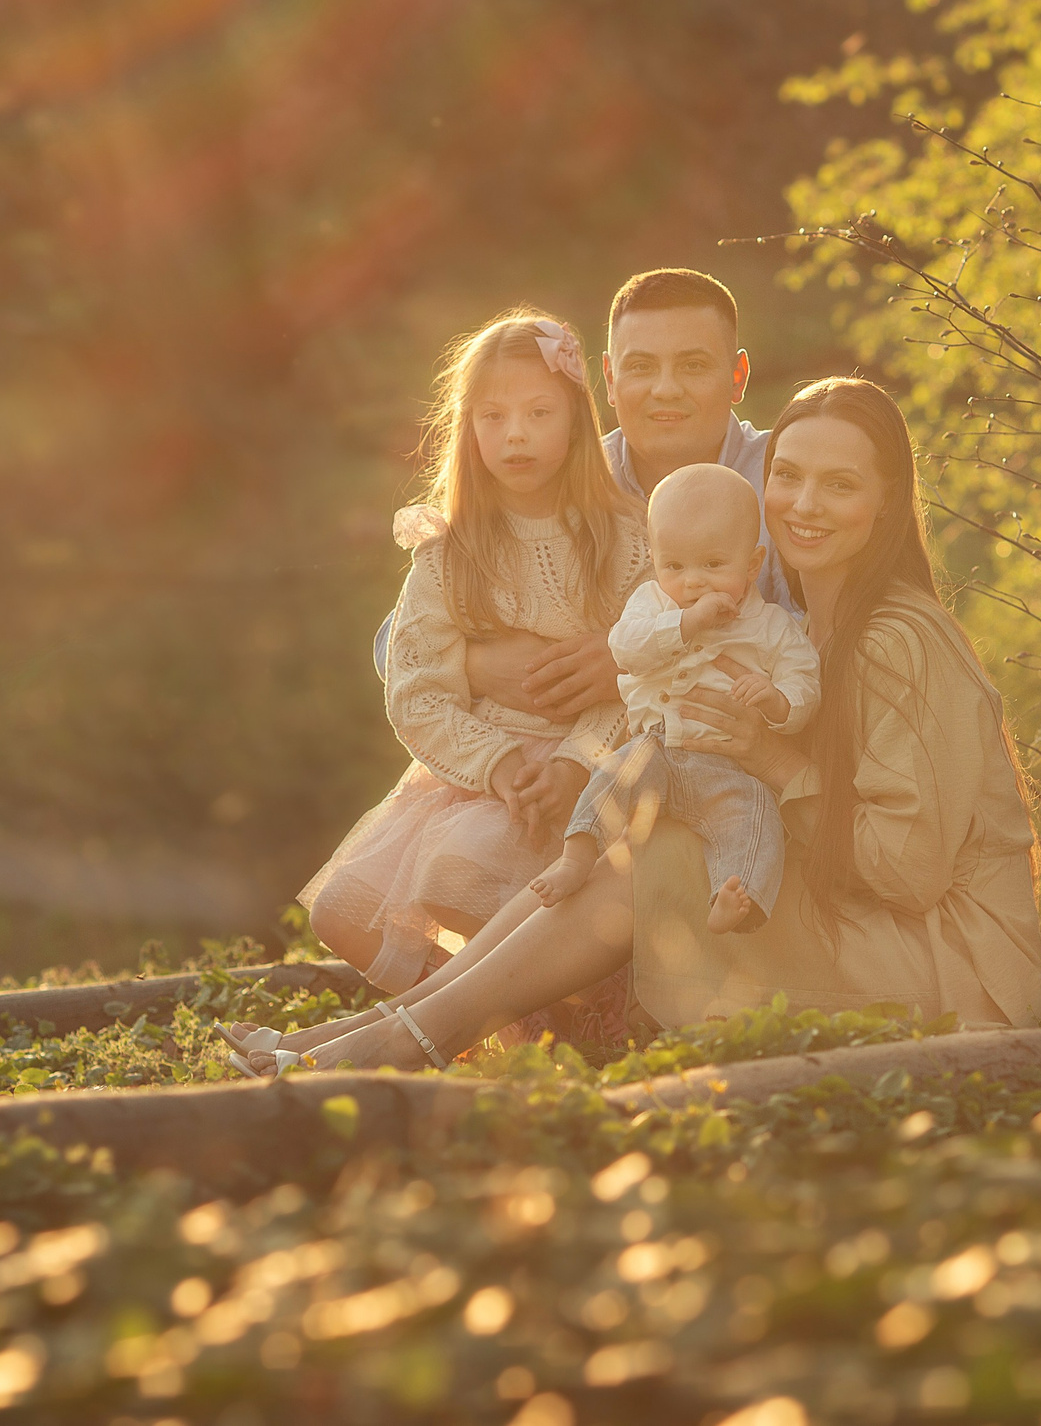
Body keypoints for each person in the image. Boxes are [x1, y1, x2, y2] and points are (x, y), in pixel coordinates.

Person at [240, 377, 1041, 1075]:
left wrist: (772, 759)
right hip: (880, 924)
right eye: (789, 476)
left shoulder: (898, 640)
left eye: (840, 484)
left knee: (657, 850)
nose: (805, 505)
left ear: (885, 504)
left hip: (952, 962)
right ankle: (377, 1031)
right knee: (641, 820)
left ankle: (409, 1040)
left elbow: (909, 873)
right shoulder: (805, 621)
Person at [291, 310, 648, 994]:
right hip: (483, 768)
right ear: (467, 426)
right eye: (493, 416)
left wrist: (576, 764)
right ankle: (492, 1017)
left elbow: (642, 678)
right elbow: (415, 685)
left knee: (458, 871)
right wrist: (499, 761)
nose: (515, 433)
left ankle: (553, 1004)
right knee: (342, 909)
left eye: (539, 411)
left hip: (588, 768)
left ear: (576, 417)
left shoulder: (623, 538)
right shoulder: (448, 548)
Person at [373, 269, 789, 725]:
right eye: (641, 366)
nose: (665, 388)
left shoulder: (785, 479)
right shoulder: (563, 474)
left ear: (737, 375)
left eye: (692, 365)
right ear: (608, 378)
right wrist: (479, 665)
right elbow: (398, 637)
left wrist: (630, 659)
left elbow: (816, 644)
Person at [530, 462, 818, 935]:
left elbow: (804, 677)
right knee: (614, 775)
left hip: (730, 767)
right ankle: (576, 857)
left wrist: (776, 700)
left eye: (712, 565)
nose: (693, 583)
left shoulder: (770, 626)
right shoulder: (654, 604)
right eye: (676, 566)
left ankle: (735, 895)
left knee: (756, 816)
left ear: (752, 564)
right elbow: (625, 647)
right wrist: (688, 624)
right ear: (656, 561)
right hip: (658, 747)